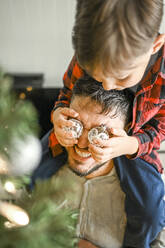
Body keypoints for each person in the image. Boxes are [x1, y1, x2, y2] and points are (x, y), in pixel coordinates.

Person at [48, 1, 165, 247]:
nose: (108, 85)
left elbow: (160, 128)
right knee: (31, 168)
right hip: (85, 123)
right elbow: (65, 94)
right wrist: (58, 115)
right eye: (98, 75)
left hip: (133, 145)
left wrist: (131, 145)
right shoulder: (89, 51)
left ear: (155, 45)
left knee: (150, 211)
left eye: (122, 77)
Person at [31, 78, 165, 248]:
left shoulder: (143, 198)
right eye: (75, 125)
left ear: (125, 131)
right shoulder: (38, 173)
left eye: (100, 133)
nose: (82, 144)